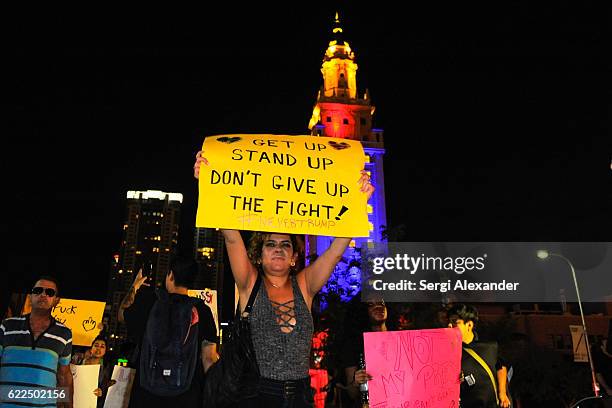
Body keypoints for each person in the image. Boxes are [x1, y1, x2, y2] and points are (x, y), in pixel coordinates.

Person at [194, 150, 374, 408]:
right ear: (259, 255)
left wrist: (359, 202)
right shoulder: (249, 283)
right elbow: (232, 237)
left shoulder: (305, 285)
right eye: (270, 244)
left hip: (301, 396)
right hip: (255, 396)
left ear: (293, 257)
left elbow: (335, 252)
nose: (278, 248)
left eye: (285, 245)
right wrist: (209, 182)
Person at [119, 257, 218, 407]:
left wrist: (135, 286)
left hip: (146, 396)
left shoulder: (149, 301)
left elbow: (121, 314)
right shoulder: (202, 311)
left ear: (170, 275)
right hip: (187, 397)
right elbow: (209, 359)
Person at [0, 276, 74, 408]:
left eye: (49, 292)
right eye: (38, 290)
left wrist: (69, 406)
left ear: (56, 301)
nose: (43, 295)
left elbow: (64, 376)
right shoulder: (7, 326)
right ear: (30, 297)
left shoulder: (64, 334)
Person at [447, 304, 510, 408]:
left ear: (469, 325)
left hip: (495, 404)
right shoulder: (450, 352)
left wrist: (502, 394)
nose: (449, 325)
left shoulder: (489, 346)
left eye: (455, 322)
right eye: (448, 322)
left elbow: (501, 367)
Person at [340, 299, 389, 408]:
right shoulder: (353, 346)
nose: (378, 307)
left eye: (382, 303)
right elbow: (352, 394)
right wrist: (356, 383)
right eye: (371, 304)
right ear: (362, 311)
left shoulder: (402, 341)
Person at [71, 335, 115, 407]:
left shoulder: (106, 368)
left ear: (105, 351)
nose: (98, 349)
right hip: (73, 398)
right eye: (96, 345)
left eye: (102, 347)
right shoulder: (78, 359)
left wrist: (101, 392)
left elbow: (105, 386)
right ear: (91, 348)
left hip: (89, 403)